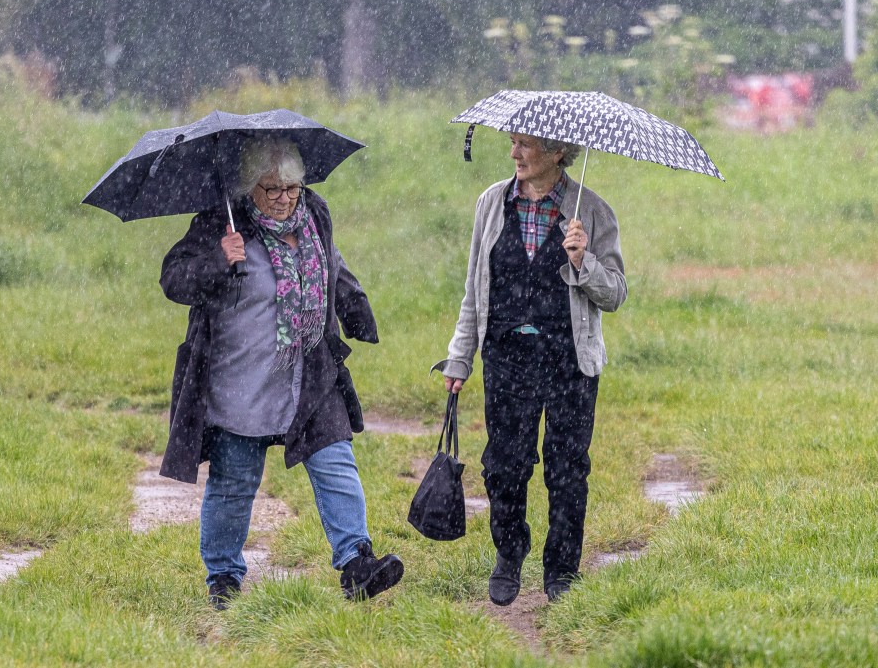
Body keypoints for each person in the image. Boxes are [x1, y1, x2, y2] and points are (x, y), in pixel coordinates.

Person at [159, 136, 403, 609]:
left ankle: (357, 563)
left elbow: (331, 264)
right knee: (233, 483)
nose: (283, 199)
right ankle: (224, 580)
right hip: (239, 378)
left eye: (291, 188)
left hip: (308, 371)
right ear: (249, 187)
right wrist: (218, 259)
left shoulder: (314, 213)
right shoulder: (220, 222)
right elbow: (173, 278)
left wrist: (356, 308)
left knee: (336, 462)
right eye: (271, 190)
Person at [433, 132, 626, 605]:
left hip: (569, 363)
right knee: (503, 465)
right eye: (514, 143)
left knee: (567, 469)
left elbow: (615, 293)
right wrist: (460, 356)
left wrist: (585, 262)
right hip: (507, 358)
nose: (515, 153)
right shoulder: (491, 204)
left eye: (527, 145)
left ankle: (561, 569)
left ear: (559, 153)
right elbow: (474, 289)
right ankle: (509, 552)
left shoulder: (593, 211)